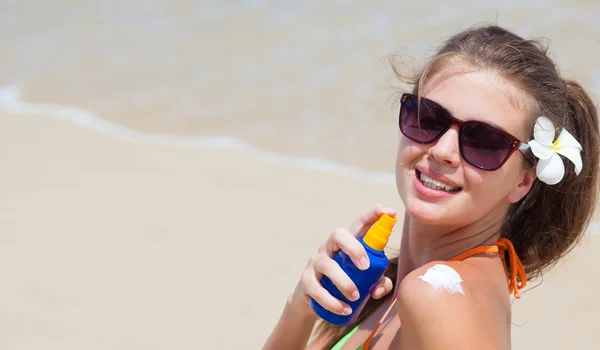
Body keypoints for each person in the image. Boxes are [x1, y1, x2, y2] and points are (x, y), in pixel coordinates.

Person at [263, 24, 600, 349]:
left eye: (484, 141)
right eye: (428, 118)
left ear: (522, 181)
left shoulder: (436, 295)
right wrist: (299, 310)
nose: (442, 151)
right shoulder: (396, 289)